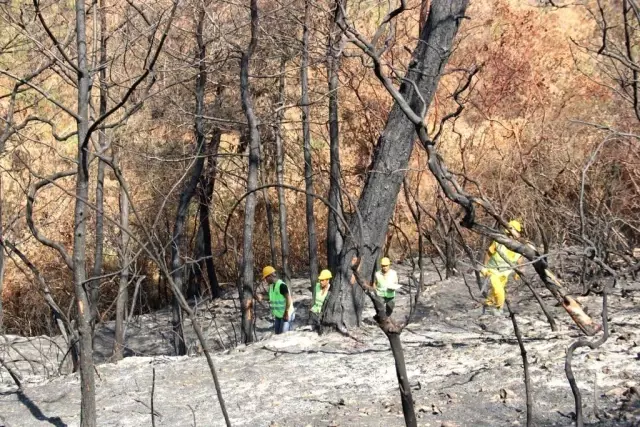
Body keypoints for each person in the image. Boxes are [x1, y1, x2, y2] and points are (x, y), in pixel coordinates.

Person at [480, 220, 525, 316]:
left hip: (505, 272)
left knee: (495, 290)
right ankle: (499, 308)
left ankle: (488, 305)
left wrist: (519, 271)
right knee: (499, 290)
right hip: (492, 270)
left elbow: (520, 259)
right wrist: (484, 266)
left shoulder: (519, 246)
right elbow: (489, 253)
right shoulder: (499, 242)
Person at [262, 266, 294, 334]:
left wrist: (286, 312)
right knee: (277, 335)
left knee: (284, 336)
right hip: (278, 315)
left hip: (286, 314)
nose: (265, 280)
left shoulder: (282, 286)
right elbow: (271, 297)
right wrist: (261, 297)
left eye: (266, 278)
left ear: (270, 276)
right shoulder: (271, 286)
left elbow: (289, 299)